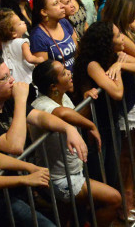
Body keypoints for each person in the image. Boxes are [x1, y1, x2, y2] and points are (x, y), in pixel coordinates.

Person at [30, 61, 122, 225]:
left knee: (67, 217)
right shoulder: (41, 104)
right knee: (113, 199)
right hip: (61, 178)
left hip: (72, 170)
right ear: (53, 86)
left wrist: (87, 101)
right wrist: (91, 125)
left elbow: (73, 115)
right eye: (64, 73)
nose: (69, 73)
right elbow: (63, 114)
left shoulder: (61, 96)